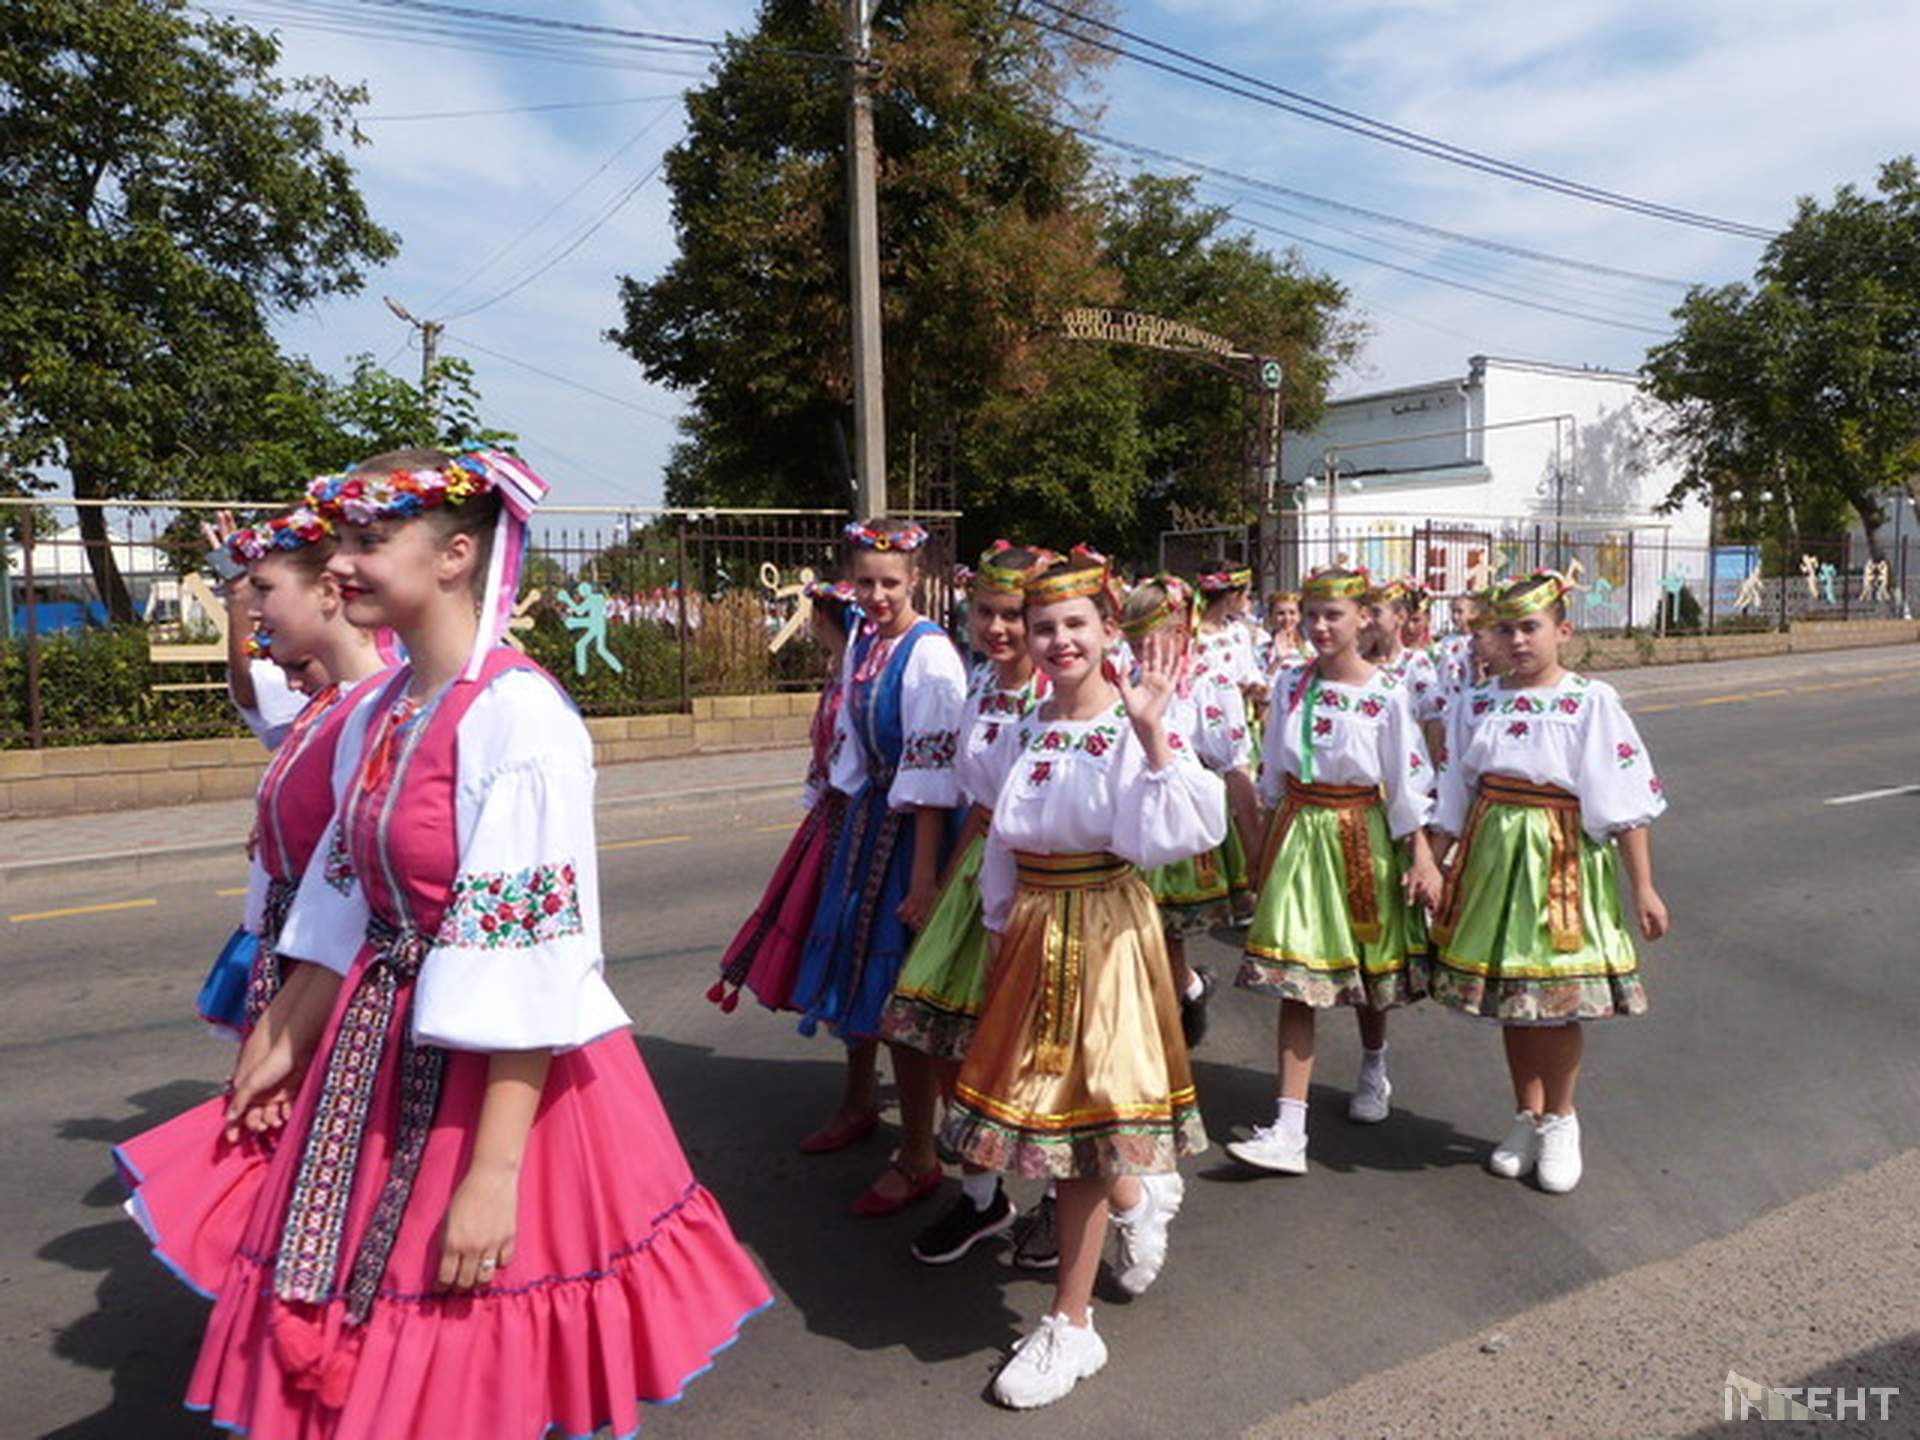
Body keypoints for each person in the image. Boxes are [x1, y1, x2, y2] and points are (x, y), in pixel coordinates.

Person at [130, 447, 770, 1439]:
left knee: (463, 1345)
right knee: (357, 1318)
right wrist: (287, 1036)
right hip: (376, 1041)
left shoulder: (519, 717)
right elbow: (344, 892)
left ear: (455, 556)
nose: (341, 564)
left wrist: (494, 1174)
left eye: (370, 542)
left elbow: (535, 958)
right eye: (341, 540)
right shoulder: (376, 711)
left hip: (494, 1082)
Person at [940, 547, 1226, 1411]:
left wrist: (1151, 734)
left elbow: (1184, 830)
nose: (1058, 640)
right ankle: (1138, 1196)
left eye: (1075, 624)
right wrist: (995, 926)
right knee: (1046, 1120)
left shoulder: (1131, 725)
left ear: (1109, 631)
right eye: (1042, 626)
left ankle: (1072, 1322)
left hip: (1104, 929)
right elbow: (1001, 834)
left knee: (1076, 1131)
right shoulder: (1029, 725)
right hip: (1034, 929)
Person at [123, 503, 395, 1289]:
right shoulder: (328, 708)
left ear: (326, 598)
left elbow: (365, 881)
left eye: (261, 591)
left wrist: (297, 1027)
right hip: (299, 960)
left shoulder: (376, 710)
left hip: (333, 975)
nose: (250, 615)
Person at [1428, 571, 1669, 1194]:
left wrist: (1642, 885)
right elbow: (1454, 791)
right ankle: (1526, 1117)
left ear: (1562, 631)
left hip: (1561, 858)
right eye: (1504, 629)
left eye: (1530, 627)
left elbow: (1623, 798)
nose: (1517, 640)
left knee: (1557, 1001)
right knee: (1516, 999)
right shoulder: (1474, 703)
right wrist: (1433, 861)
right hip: (1493, 857)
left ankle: (1562, 1119)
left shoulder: (1589, 701)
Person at [1228, 566, 1443, 1175]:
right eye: (1313, 614)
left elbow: (1406, 783)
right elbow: (1271, 771)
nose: (1320, 627)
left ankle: (1374, 1068)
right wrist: (1261, 847)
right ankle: (1289, 1128)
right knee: (1296, 977)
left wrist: (1420, 854)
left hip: (1359, 834)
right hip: (1299, 831)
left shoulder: (1387, 693)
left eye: (1334, 616)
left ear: (1363, 619)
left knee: (1366, 969)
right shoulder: (1290, 683)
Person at [880, 542, 1053, 1264]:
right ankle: (982, 1198)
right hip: (978, 869)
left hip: (1043, 882)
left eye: (1012, 614)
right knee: (943, 1038)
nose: (996, 628)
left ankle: (1060, 1205)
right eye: (985, 612)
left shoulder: (1059, 693)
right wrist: (943, 883)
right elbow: (969, 800)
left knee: (1038, 1055)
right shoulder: (979, 685)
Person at [790, 518, 967, 1217]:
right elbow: (852, 745)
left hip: (913, 836)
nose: (875, 595)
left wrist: (923, 880)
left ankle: (921, 1153)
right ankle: (861, 1103)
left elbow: (932, 777)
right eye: (864, 582)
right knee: (862, 980)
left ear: (915, 579)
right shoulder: (868, 640)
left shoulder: (930, 656)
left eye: (889, 582)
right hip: (870, 820)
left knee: (904, 999)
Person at [709, 579, 861, 1014]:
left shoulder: (857, 673)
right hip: (831, 809)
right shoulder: (839, 667)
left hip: (850, 810)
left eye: (815, 616)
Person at [1120, 574, 1258, 1048]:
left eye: (1149, 638)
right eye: (1133, 639)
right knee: (1134, 939)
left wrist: (1256, 854)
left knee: (1165, 934)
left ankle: (1176, 1015)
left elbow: (1237, 768)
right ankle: (1185, 994)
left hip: (1177, 827)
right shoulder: (1126, 679)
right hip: (1128, 824)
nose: (1139, 650)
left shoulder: (1208, 682)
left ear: (1180, 631)